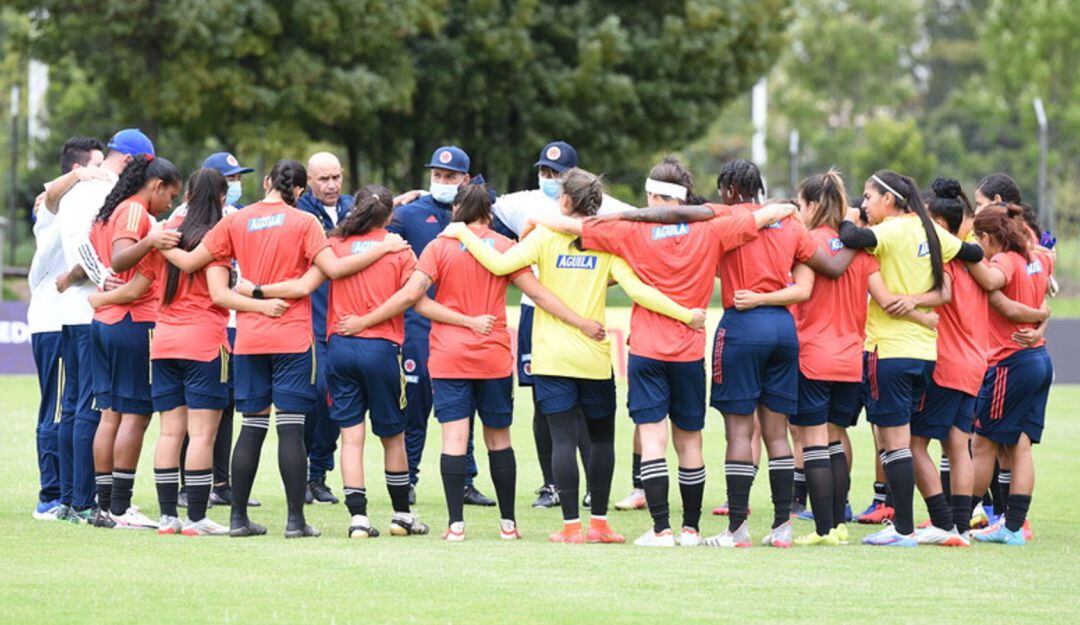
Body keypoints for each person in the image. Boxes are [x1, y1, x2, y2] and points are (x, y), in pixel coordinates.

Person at [521, 157, 798, 547]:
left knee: (652, 441)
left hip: (649, 348)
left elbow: (575, 225)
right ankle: (690, 530)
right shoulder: (713, 228)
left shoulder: (630, 232)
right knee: (691, 442)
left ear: (653, 196)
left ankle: (661, 529)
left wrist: (539, 222)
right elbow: (757, 217)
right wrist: (784, 207)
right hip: (689, 349)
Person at [446, 167, 706, 544]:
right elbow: (639, 290)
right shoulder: (604, 243)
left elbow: (501, 265)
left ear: (565, 200)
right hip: (595, 359)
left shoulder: (546, 236)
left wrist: (462, 232)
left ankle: (571, 527)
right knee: (601, 441)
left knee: (563, 442)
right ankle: (599, 524)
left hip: (552, 358)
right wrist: (686, 314)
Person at [159, 160, 406, 538]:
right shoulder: (305, 223)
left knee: (252, 427)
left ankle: (238, 519)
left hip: (250, 338)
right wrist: (385, 246)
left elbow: (192, 261)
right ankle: (295, 522)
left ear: (268, 182)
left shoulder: (236, 221)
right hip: (291, 337)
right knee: (291, 429)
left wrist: (157, 243)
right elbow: (332, 272)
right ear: (301, 191)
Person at [356, 183, 603, 540]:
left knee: (454, 438)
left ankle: (456, 525)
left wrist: (366, 318)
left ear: (457, 209)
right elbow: (538, 294)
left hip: (448, 355)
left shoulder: (439, 247)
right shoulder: (504, 246)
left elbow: (414, 298)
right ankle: (508, 524)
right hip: (493, 356)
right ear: (489, 213)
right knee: (499, 438)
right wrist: (580, 321)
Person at [88, 168, 280, 535]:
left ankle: (166, 518)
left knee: (169, 433)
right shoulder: (218, 238)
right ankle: (195, 517)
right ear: (222, 199)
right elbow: (221, 292)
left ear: (189, 195)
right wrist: (262, 302)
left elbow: (138, 280)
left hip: (163, 343)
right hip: (205, 342)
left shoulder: (163, 239)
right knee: (202, 434)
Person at [838, 169, 983, 547]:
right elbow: (973, 252)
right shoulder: (930, 230)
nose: (865, 203)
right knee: (909, 443)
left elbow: (850, 237)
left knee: (896, 444)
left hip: (889, 350)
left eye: (868, 197)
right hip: (924, 354)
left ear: (888, 200)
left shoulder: (891, 231)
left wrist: (847, 216)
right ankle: (943, 523)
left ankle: (902, 528)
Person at [491, 140, 630, 510]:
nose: (548, 179)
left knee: (573, 413)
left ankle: (580, 491)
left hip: (560, 319)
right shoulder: (522, 201)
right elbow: (477, 202)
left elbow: (641, 219)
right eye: (543, 171)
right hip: (540, 316)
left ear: (570, 183)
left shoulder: (598, 210)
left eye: (555, 174)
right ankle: (552, 485)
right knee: (544, 405)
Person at [54, 129, 159, 525]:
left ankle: (94, 503)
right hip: (123, 318)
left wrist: (95, 282)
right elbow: (120, 262)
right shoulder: (128, 207)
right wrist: (105, 285)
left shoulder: (102, 202)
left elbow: (85, 245)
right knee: (127, 412)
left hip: (98, 318)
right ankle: (114, 504)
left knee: (103, 410)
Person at [388, 146, 495, 507]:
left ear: (465, 179)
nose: (442, 182)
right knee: (416, 405)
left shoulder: (479, 215)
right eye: (437, 175)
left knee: (461, 405)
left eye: (450, 177)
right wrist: (397, 202)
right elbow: (371, 225)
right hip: (419, 322)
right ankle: (409, 478)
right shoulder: (410, 213)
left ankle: (465, 480)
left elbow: (488, 197)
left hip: (464, 324)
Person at [88, 154, 184, 529]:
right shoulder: (135, 212)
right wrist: (151, 239)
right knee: (136, 414)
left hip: (108, 323)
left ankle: (104, 504)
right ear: (156, 186)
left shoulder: (115, 210)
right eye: (170, 196)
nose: (170, 205)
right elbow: (119, 259)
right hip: (133, 323)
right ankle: (120, 506)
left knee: (111, 412)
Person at [965, 204, 1054, 546]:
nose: (976, 244)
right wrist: (1040, 320)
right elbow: (1045, 297)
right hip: (1038, 357)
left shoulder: (1002, 260)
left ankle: (961, 517)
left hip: (1010, 361)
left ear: (988, 237)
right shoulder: (1038, 258)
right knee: (1020, 446)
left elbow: (995, 290)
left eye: (977, 239)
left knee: (983, 442)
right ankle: (1013, 527)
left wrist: (964, 254)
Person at [28, 136, 106, 521]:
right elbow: (51, 194)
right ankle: (52, 494)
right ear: (79, 170)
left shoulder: (80, 201)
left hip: (64, 316)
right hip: (51, 317)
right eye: (96, 166)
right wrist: (80, 177)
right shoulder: (55, 205)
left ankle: (71, 491)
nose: (102, 172)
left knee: (69, 404)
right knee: (58, 407)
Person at [176, 151, 259, 510]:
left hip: (231, 321)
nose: (235, 186)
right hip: (203, 320)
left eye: (238, 178)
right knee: (194, 409)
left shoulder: (236, 217)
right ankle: (189, 485)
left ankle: (221, 483)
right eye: (230, 180)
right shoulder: (181, 219)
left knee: (224, 405)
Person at [295, 151, 354, 505]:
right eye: (323, 179)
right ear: (310, 180)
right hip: (311, 318)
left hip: (346, 320)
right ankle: (300, 473)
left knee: (337, 399)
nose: (331, 186)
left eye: (336, 177)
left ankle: (319, 474)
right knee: (312, 396)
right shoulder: (300, 212)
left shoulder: (353, 209)